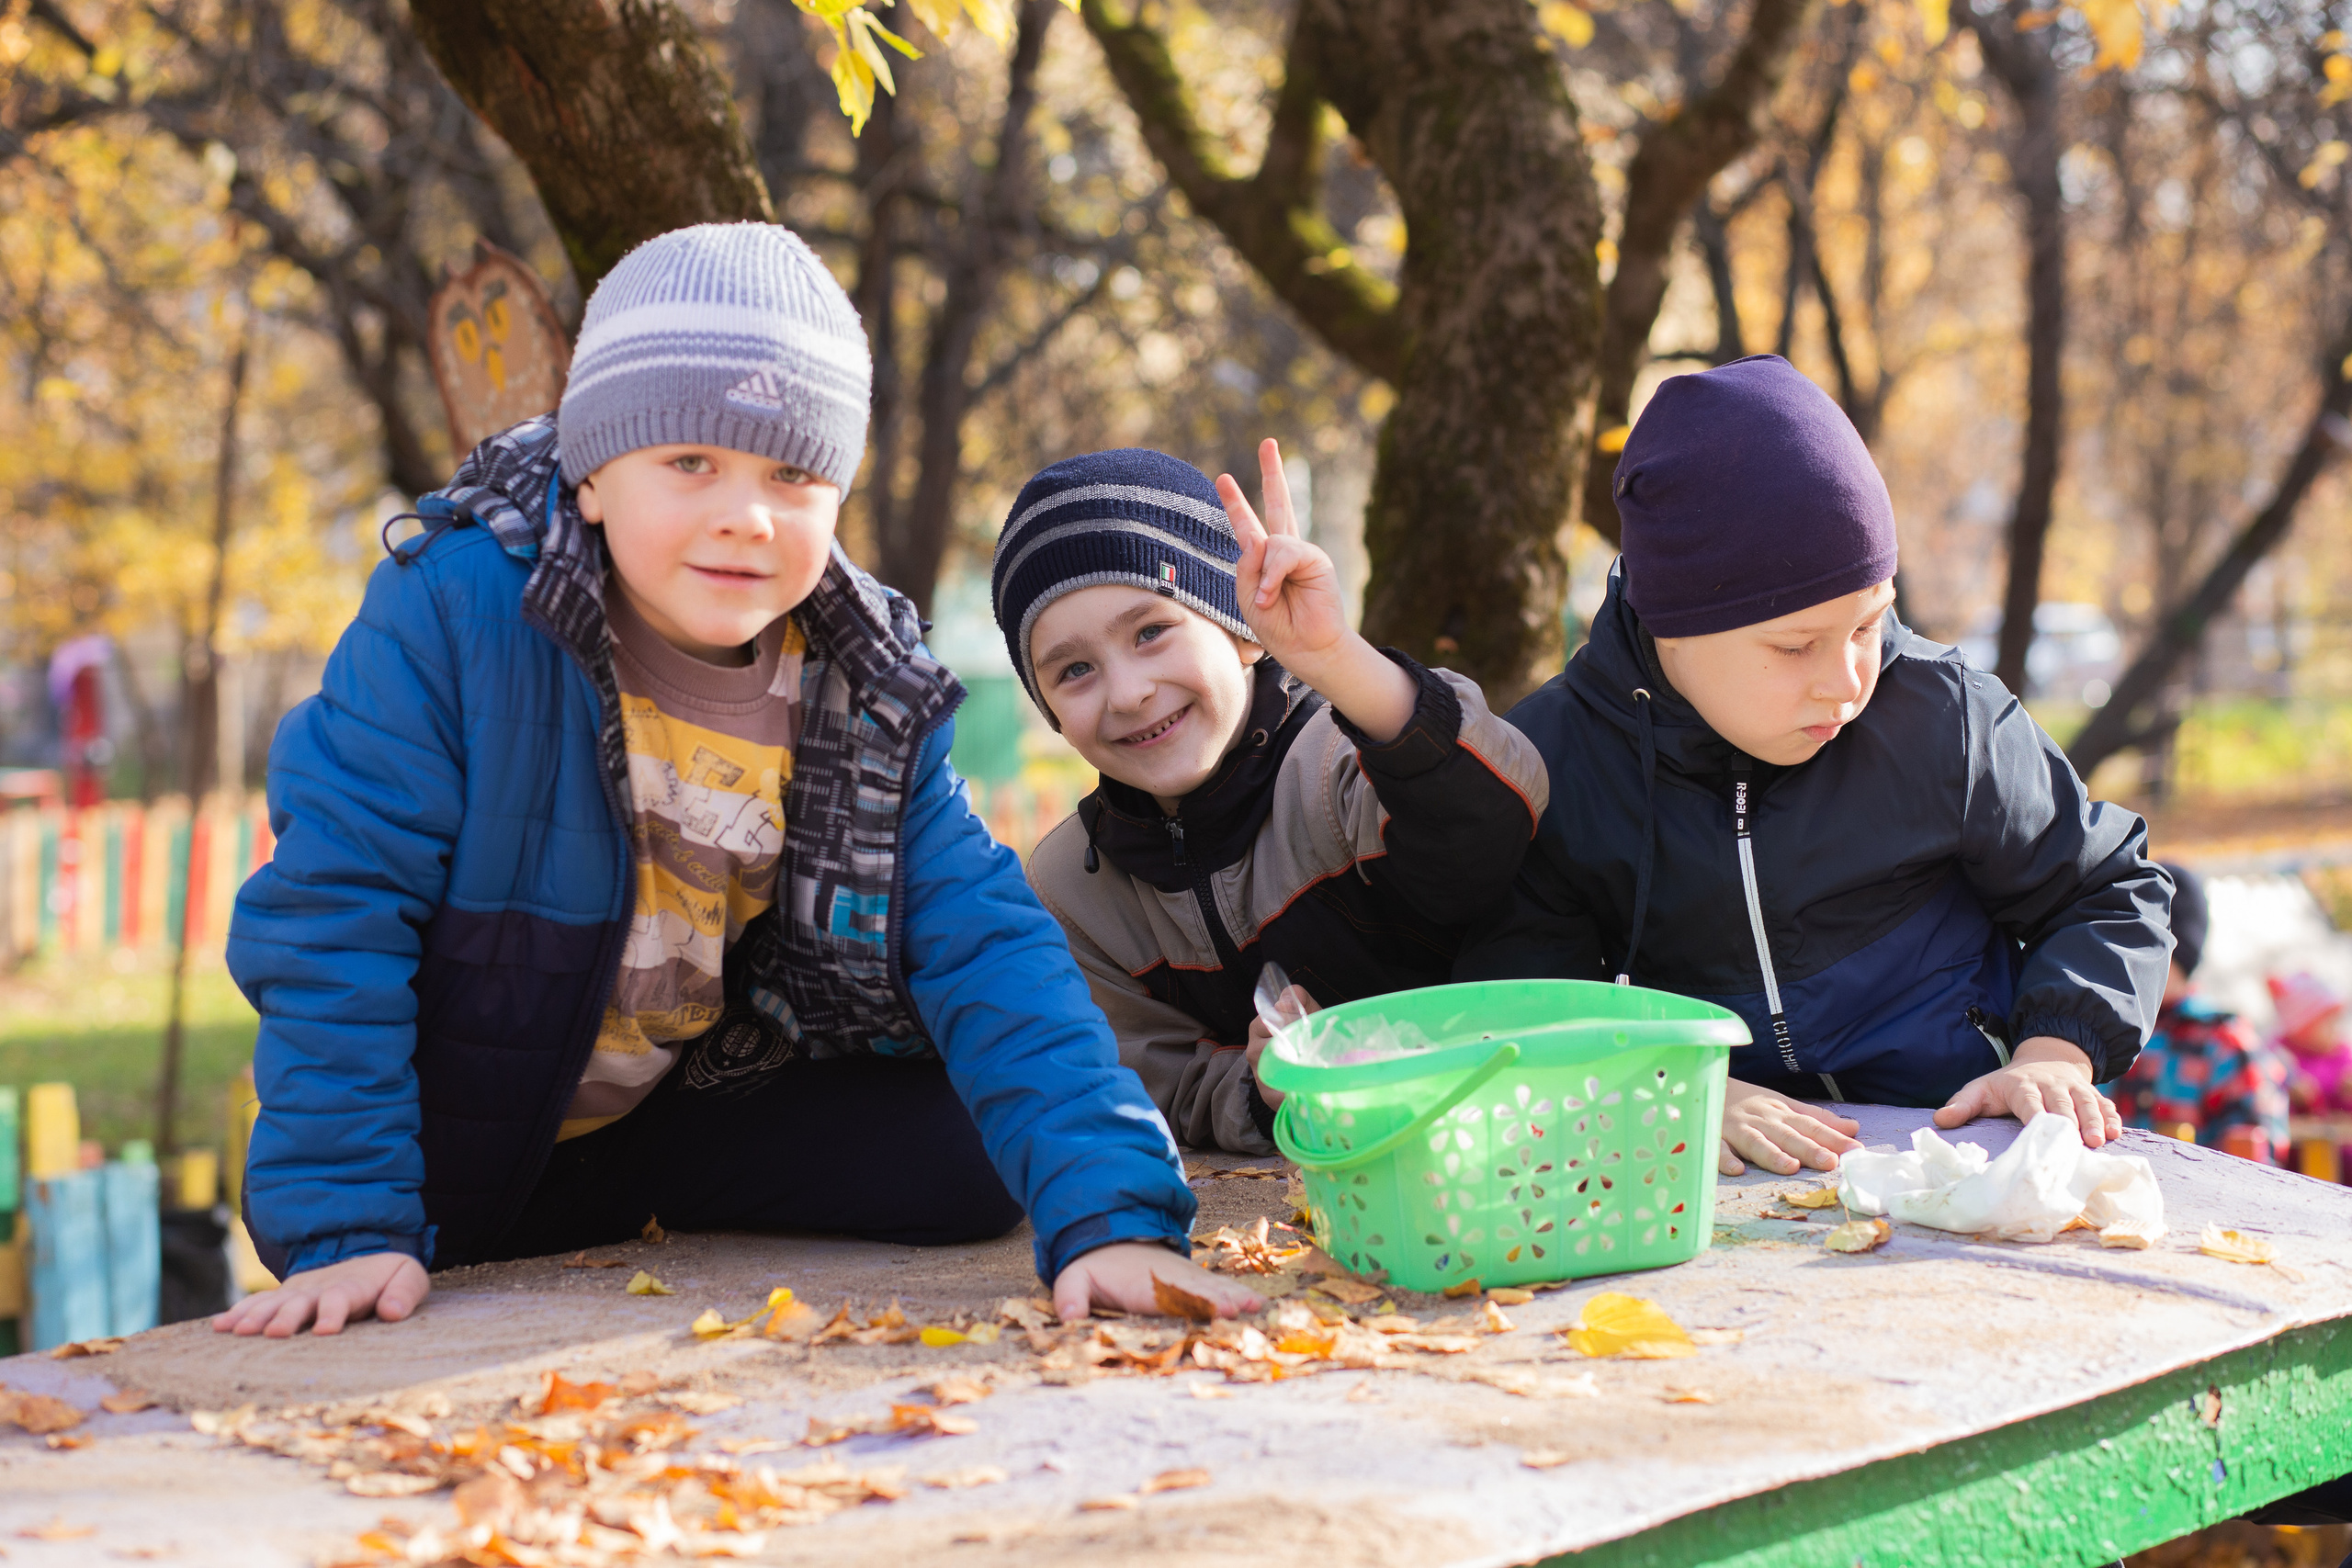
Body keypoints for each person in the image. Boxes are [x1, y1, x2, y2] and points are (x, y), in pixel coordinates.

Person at [215, 224, 1256, 1338]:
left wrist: (1114, 1217)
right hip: (455, 1138)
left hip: (660, 1115)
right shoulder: (459, 611)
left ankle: (615, 1217)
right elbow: (336, 909)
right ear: (595, 474)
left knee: (961, 1156)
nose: (744, 515)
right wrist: (347, 1224)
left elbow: (985, 941)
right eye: (690, 462)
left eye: (792, 474)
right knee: (416, 1188)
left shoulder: (859, 682)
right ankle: (428, 1228)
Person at [1457, 355, 2172, 1177]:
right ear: (1671, 625)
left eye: (1869, 625)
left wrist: (2053, 1053)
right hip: (1712, 1185)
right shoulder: (1556, 760)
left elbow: (2109, 887)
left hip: (1964, 1161)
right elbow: (1520, 1000)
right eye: (1796, 646)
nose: (1847, 680)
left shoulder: (1942, 716)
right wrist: (1661, 1087)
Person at [995, 441, 1549, 1153]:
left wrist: (1336, 659)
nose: (1129, 692)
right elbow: (1158, 1079)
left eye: (1153, 631)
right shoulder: (1074, 889)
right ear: (1049, 711)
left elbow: (1492, 828)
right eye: (1074, 669)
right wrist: (1260, 1090)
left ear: (1240, 632)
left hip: (1511, 1129)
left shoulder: (1343, 760)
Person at [2109, 863, 2290, 1164]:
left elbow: (2259, 1146)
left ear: (2173, 952)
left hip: (2198, 1201)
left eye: (2143, 950)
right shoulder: (2101, 1027)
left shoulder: (2222, 1041)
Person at [2268, 969, 2352, 1179]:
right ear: (2303, 1024)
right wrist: (2293, 1093)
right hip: (2297, 1161)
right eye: (2327, 1022)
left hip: (2342, 1154)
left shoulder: (2341, 1054)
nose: (2335, 1029)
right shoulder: (2281, 1055)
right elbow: (2267, 1101)